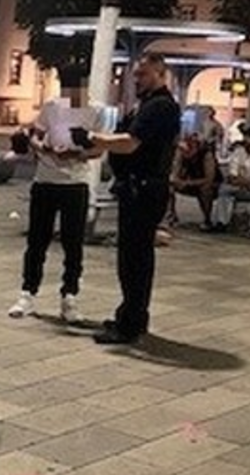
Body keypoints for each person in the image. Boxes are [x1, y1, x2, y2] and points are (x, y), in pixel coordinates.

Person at [73, 54, 181, 345]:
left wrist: (91, 137)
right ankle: (131, 316)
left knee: (134, 259)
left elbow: (129, 143)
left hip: (144, 189)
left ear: (160, 74)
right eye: (135, 75)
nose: (136, 80)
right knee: (132, 258)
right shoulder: (146, 105)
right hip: (137, 188)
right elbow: (121, 139)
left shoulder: (160, 106)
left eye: (143, 75)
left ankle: (131, 324)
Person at [8, 83, 102, 323]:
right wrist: (45, 148)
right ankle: (28, 292)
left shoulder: (94, 110)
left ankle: (69, 296)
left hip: (76, 182)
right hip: (46, 180)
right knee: (37, 241)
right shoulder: (51, 106)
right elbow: (35, 136)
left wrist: (76, 154)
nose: (70, 95)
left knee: (73, 244)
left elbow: (98, 150)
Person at [168, 133, 219, 228]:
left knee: (206, 189)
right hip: (189, 182)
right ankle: (172, 215)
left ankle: (207, 219)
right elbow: (175, 173)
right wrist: (176, 180)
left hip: (210, 184)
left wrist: (188, 183)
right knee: (168, 187)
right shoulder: (181, 153)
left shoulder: (206, 155)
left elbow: (209, 179)